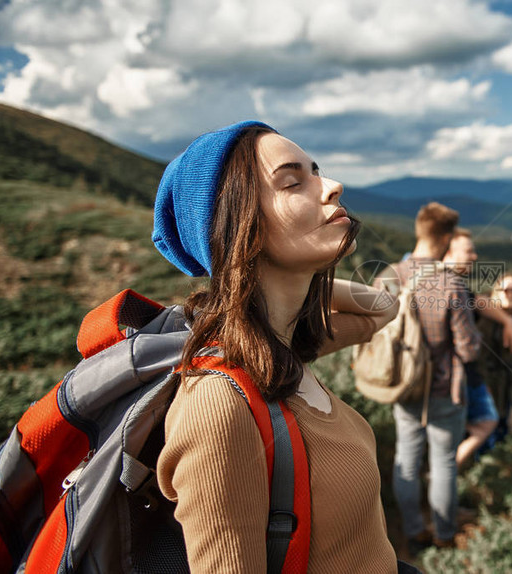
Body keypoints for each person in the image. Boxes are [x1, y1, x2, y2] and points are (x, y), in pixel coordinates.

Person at [151, 121, 408, 572]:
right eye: (292, 181)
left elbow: (382, 309)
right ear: (237, 226)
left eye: (316, 171)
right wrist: (244, 281)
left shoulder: (281, 353)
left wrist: (291, 285)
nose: (333, 186)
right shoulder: (219, 407)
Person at [379, 203, 481, 554]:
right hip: (442, 390)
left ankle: (412, 531)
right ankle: (444, 532)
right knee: (443, 463)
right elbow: (468, 351)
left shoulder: (388, 276)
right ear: (446, 238)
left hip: (403, 386)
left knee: (406, 459)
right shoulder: (451, 284)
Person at [441, 229, 512, 467]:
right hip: (457, 377)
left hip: (457, 378)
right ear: (448, 252)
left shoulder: (454, 284)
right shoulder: (448, 284)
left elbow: (476, 300)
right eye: (468, 251)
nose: (474, 256)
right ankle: (446, 477)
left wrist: (508, 321)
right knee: (485, 421)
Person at [479, 273, 512, 445]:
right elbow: (481, 358)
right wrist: (484, 386)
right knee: (487, 427)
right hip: (489, 384)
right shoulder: (487, 321)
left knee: (502, 424)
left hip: (508, 385)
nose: (510, 294)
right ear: (496, 292)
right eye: (505, 289)